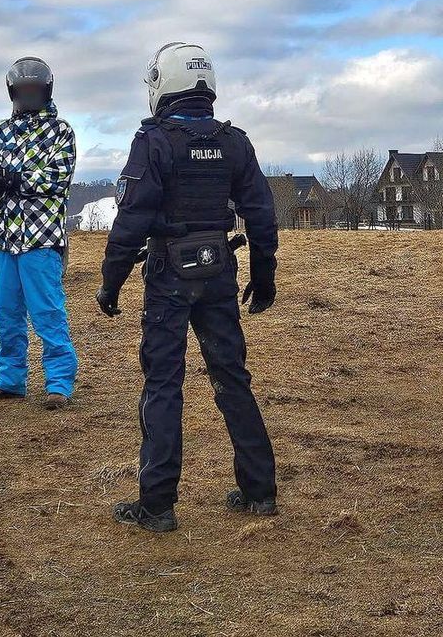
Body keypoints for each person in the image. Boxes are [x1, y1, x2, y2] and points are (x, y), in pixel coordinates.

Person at [95, 42, 279, 533]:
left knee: (162, 384)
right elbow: (261, 212)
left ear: (161, 83)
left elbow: (130, 219)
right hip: (218, 269)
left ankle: (157, 504)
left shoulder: (155, 142)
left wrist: (110, 284)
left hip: (170, 274)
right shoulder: (233, 141)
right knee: (231, 376)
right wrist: (264, 276)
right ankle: (260, 490)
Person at [0, 57, 79, 410]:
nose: (28, 95)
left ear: (46, 90)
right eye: (23, 90)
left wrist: (15, 179)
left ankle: (59, 382)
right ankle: (10, 379)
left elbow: (58, 177)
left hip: (41, 239)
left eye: (34, 89)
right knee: (7, 312)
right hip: (4, 239)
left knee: (48, 311)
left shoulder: (61, 132)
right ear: (13, 92)